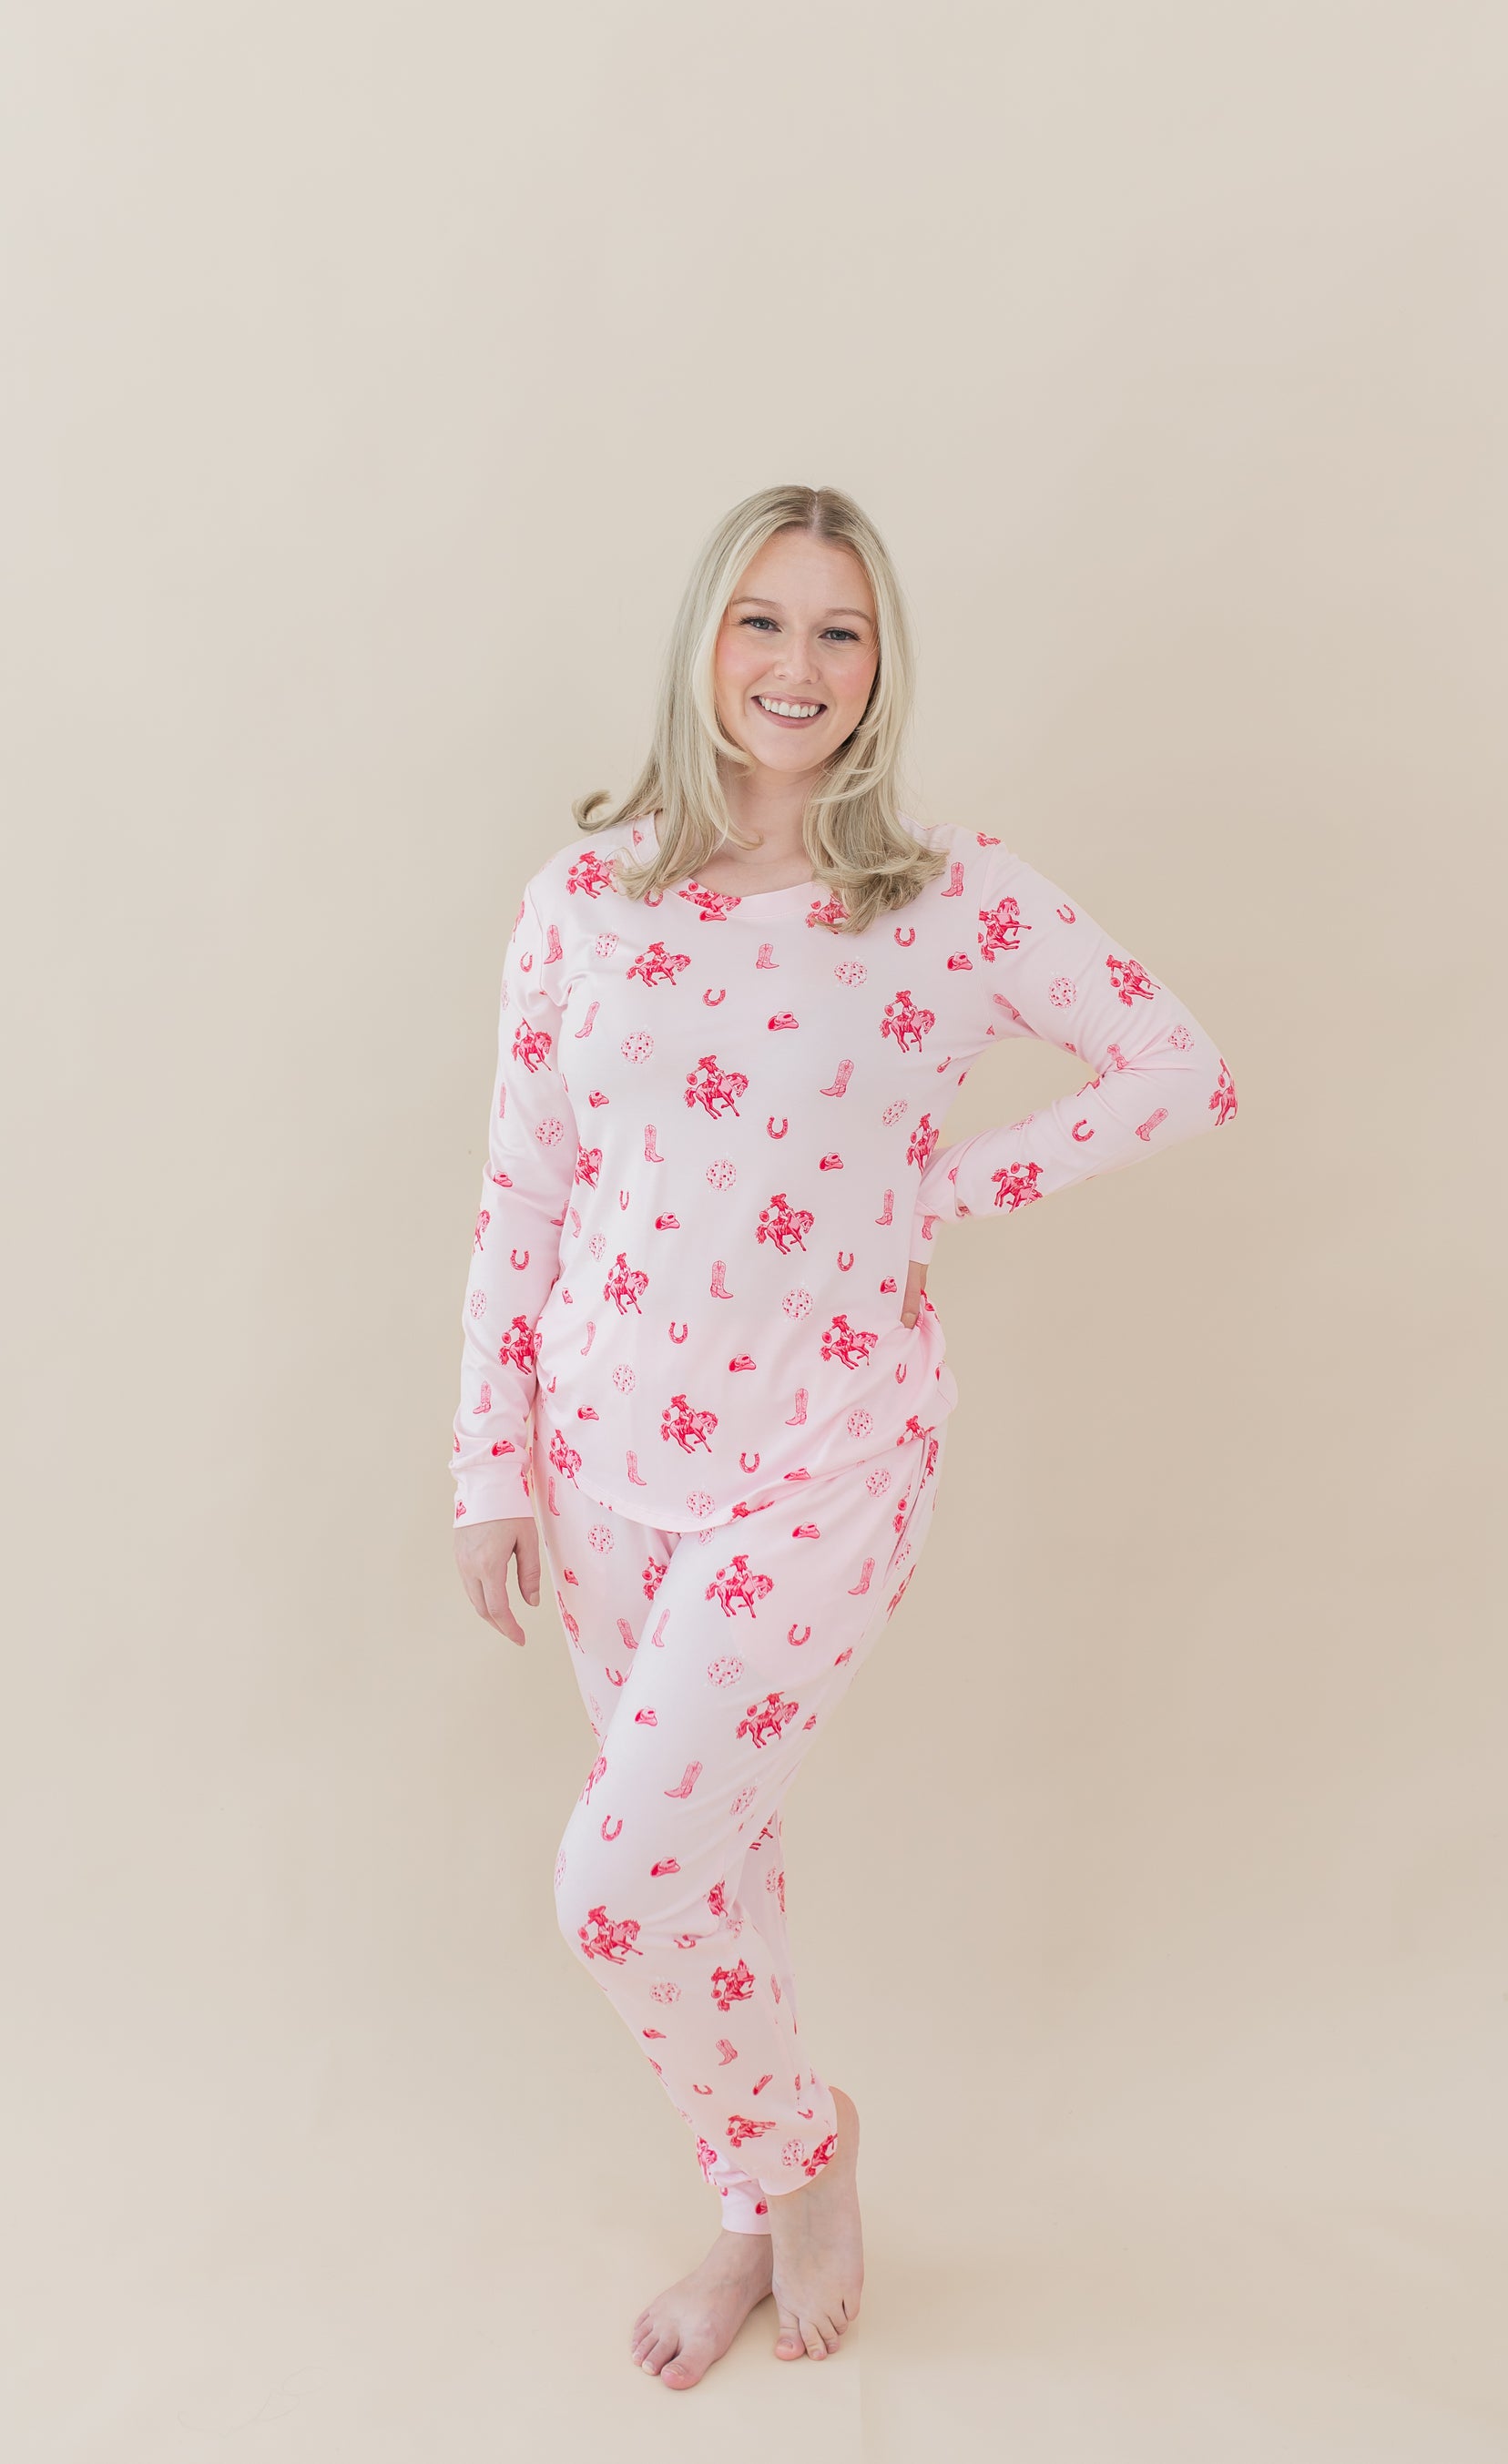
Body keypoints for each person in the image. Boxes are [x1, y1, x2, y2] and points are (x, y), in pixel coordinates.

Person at [449, 482, 1238, 2391]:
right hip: (602, 1451)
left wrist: (938, 1194)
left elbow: (1178, 1069)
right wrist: (490, 1459)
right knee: (714, 1869)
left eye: (840, 632)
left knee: (620, 1881)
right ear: (704, 645)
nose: (797, 667)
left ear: (880, 669)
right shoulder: (588, 903)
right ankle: (752, 2193)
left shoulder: (943, 902)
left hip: (822, 1459)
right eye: (764, 624)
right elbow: (526, 1192)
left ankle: (804, 2155)